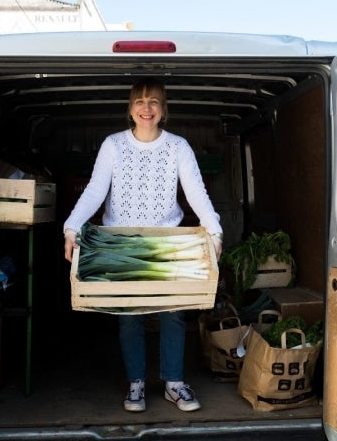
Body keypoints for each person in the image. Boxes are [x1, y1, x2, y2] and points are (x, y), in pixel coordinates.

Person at [62, 77, 223, 413]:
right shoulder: (113, 145)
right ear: (130, 109)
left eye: (154, 102)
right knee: (129, 315)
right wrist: (72, 227)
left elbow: (196, 192)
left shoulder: (178, 147)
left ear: (164, 110)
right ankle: (136, 384)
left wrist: (214, 231)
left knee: (173, 313)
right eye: (140, 101)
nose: (146, 108)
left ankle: (174, 383)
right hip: (119, 243)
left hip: (166, 243)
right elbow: (95, 190)